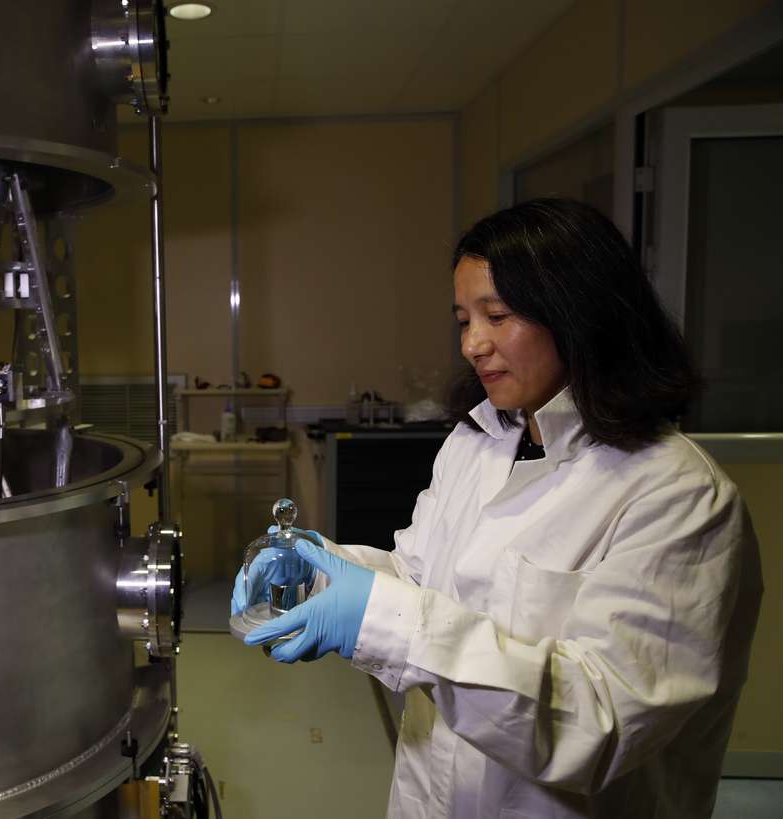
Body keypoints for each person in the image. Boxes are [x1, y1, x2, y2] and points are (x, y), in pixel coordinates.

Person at [233, 199, 763, 818]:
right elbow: (420, 579)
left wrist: (384, 621)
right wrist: (324, 570)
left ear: (579, 314)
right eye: (464, 320)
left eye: (498, 315)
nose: (472, 344)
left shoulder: (677, 495)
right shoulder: (477, 443)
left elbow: (606, 724)